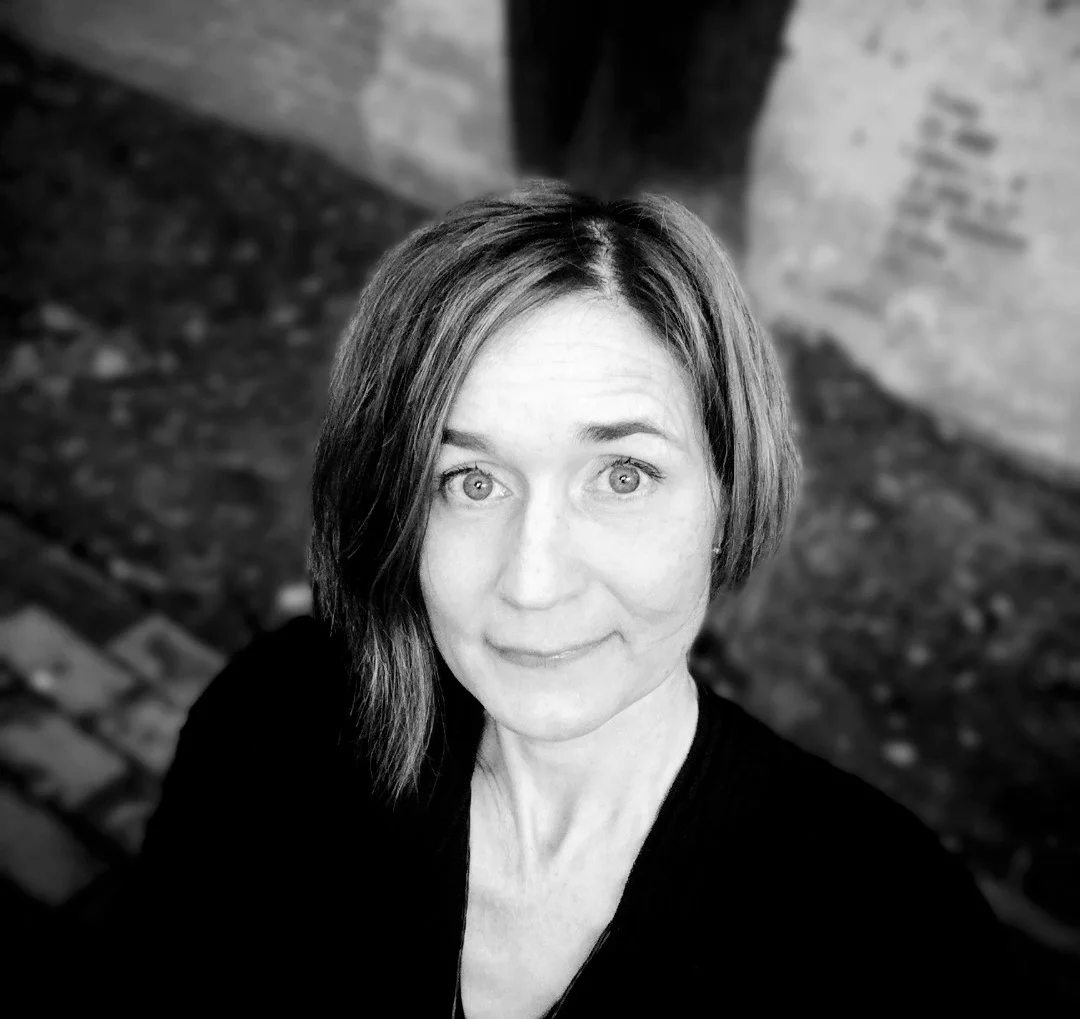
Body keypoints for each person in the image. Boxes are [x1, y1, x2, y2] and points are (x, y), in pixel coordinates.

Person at [101, 179, 1017, 1014]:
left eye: (622, 475)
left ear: (729, 495)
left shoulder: (894, 935)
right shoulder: (275, 727)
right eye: (470, 481)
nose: (533, 582)